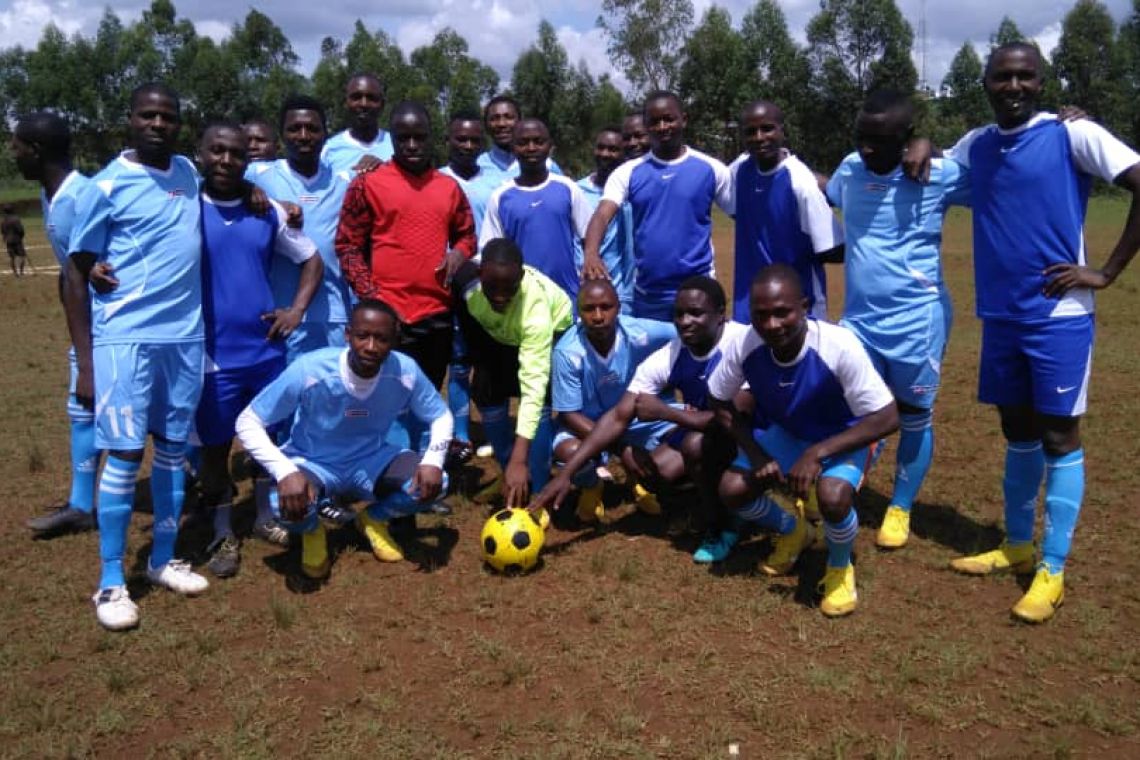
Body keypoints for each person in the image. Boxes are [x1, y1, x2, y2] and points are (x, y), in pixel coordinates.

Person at [931, 43, 1140, 623]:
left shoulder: (1073, 135)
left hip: (1059, 318)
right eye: (1003, 77)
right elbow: (933, 168)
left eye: (1025, 76)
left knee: (1058, 436)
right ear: (986, 83)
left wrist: (1106, 271)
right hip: (1001, 315)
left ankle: (1053, 568)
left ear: (1041, 83)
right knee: (1017, 431)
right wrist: (921, 145)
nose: (1014, 86)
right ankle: (1017, 544)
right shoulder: (977, 145)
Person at [67, 83, 210, 631]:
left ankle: (162, 559)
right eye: (147, 115)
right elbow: (76, 273)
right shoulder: (105, 185)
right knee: (126, 456)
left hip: (185, 338)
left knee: (173, 450)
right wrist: (86, 361)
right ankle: (109, 582)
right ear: (128, 120)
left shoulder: (188, 173)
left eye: (167, 116)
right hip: (125, 338)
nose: (157, 123)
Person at [707, 265, 898, 617]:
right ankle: (795, 531)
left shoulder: (838, 345)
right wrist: (756, 451)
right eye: (761, 315)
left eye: (783, 313)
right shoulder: (746, 344)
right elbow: (718, 399)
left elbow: (887, 417)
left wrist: (817, 453)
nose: (772, 324)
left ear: (805, 307)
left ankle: (840, 567)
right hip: (793, 432)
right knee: (732, 489)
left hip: (846, 433)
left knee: (833, 497)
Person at [825, 90, 970, 551]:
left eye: (879, 140)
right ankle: (851, 480)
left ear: (906, 138)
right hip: (860, 322)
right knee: (857, 408)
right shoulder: (850, 168)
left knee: (912, 414)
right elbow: (826, 187)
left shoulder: (938, 175)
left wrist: (936, 146)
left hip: (917, 322)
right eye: (861, 137)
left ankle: (901, 505)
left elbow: (998, 174)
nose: (867, 148)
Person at [532, 276, 752, 559]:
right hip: (719, 430)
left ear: (721, 313)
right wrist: (565, 474)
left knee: (696, 447)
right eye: (679, 314)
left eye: (696, 313)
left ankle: (725, 520)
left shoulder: (744, 343)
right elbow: (618, 416)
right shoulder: (670, 354)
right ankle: (709, 503)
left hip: (760, 432)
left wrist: (667, 412)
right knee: (657, 469)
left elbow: (735, 417)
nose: (685, 322)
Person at [235, 300, 453, 582]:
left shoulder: (406, 371)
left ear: (395, 341)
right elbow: (248, 421)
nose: (371, 347)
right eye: (363, 336)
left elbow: (440, 415)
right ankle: (313, 531)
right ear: (347, 335)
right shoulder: (311, 369)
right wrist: (285, 470)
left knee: (438, 483)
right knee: (281, 503)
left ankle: (374, 519)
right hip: (313, 462)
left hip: (371, 459)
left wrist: (433, 459)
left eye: (382, 339)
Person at [195, 122, 323, 578]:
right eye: (217, 151)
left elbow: (311, 258)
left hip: (265, 350)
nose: (226, 160)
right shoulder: (185, 207)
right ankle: (223, 527)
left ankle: (267, 516)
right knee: (214, 449)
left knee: (269, 440)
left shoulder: (265, 210)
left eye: (236, 154)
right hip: (211, 357)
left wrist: (297, 310)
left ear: (248, 162)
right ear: (201, 153)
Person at [336, 101, 476, 457]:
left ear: (432, 139)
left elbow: (466, 234)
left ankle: (420, 468)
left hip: (436, 311)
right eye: (403, 138)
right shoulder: (368, 185)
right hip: (389, 315)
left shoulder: (449, 187)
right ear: (392, 140)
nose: (412, 145)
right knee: (387, 397)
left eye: (419, 137)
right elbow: (348, 245)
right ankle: (390, 471)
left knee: (425, 391)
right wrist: (373, 297)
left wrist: (459, 252)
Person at [11, 111, 99, 535]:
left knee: (159, 411)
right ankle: (81, 504)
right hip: (86, 324)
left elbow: (90, 273)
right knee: (82, 410)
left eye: (17, 147)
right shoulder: (53, 194)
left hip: (111, 327)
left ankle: (201, 487)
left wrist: (87, 360)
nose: (14, 155)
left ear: (37, 150)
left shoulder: (81, 198)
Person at [583, 91, 732, 321]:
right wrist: (591, 253)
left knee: (702, 355)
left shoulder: (711, 169)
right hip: (649, 295)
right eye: (654, 121)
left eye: (669, 119)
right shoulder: (629, 172)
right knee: (653, 358)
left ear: (684, 119)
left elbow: (742, 215)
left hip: (699, 291)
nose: (662, 126)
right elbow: (602, 215)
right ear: (646, 126)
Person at [453, 238, 573, 506]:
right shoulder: (466, 284)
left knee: (538, 402)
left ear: (522, 275)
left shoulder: (536, 312)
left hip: (550, 335)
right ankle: (510, 473)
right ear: (480, 273)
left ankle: (540, 490)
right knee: (487, 393)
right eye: (491, 286)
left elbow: (533, 388)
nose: (500, 295)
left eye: (510, 287)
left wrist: (522, 456)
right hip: (499, 336)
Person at [548, 279, 677, 522]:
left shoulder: (638, 332)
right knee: (569, 451)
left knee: (686, 430)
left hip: (632, 417)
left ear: (619, 308)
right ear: (579, 312)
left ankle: (646, 482)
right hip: (585, 425)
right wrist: (622, 449)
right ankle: (592, 484)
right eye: (589, 309)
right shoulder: (567, 352)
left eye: (606, 307)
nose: (598, 316)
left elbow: (682, 332)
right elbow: (569, 414)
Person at [251, 94, 353, 361]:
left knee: (332, 394)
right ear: (282, 135)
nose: (304, 135)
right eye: (294, 128)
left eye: (312, 128)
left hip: (334, 314)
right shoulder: (258, 175)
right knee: (288, 396)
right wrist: (269, 201)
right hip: (280, 313)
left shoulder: (345, 180)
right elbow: (213, 189)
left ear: (325, 133)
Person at [730, 100, 842, 322]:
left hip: (796, 307)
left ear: (783, 131)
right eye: (751, 132)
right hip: (750, 305)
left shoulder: (801, 183)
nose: (759, 137)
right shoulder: (741, 168)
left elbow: (832, 249)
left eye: (767, 128)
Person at [440, 113, 504, 460]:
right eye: (460, 139)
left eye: (474, 140)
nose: (467, 146)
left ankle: (499, 431)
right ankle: (461, 436)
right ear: (448, 140)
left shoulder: (496, 181)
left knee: (491, 360)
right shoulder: (435, 179)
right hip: (450, 282)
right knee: (458, 361)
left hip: (490, 283)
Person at [480, 118, 591, 303]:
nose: (531, 148)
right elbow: (491, 251)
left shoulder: (568, 188)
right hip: (522, 302)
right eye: (523, 143)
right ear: (514, 148)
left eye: (538, 142)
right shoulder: (500, 197)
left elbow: (589, 236)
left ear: (550, 147)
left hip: (568, 297)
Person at [578, 127, 635, 312]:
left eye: (612, 149)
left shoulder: (634, 193)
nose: (605, 154)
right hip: (590, 290)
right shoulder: (577, 191)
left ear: (624, 153)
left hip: (628, 292)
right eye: (600, 148)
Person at [476, 95, 562, 183]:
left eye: (509, 117)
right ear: (486, 125)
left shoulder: (547, 166)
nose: (502, 124)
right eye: (494, 118)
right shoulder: (476, 166)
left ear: (520, 121)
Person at [321, 74, 392, 175]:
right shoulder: (329, 150)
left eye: (371, 98)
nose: (364, 104)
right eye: (356, 97)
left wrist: (385, 170)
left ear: (382, 105)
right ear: (346, 103)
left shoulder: (396, 146)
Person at [1, 205, 27, 277]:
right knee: (22, 256)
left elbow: (3, 231)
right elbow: (20, 230)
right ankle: (21, 272)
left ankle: (15, 273)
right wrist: (21, 236)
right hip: (17, 240)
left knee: (12, 257)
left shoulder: (3, 220)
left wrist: (5, 238)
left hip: (8, 241)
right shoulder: (16, 219)